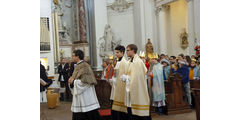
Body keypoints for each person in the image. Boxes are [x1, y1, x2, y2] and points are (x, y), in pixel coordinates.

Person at [120, 44, 151, 120]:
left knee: (137, 113)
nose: (126, 52)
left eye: (128, 50)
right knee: (130, 110)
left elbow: (138, 78)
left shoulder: (138, 62)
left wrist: (127, 78)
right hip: (130, 89)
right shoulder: (130, 61)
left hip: (137, 90)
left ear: (133, 50)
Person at [68, 50, 101, 120]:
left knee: (87, 113)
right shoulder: (78, 65)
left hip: (86, 95)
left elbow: (86, 82)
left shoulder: (85, 66)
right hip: (81, 94)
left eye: (73, 56)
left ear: (78, 56)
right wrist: (71, 81)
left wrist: (74, 81)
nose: (72, 57)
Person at [111, 45, 129, 120]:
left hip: (121, 87)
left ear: (122, 52)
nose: (116, 54)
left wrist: (115, 80)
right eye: (116, 52)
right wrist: (112, 79)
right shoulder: (118, 62)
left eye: (118, 52)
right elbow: (116, 75)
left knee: (120, 109)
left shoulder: (124, 63)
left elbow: (124, 76)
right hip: (115, 86)